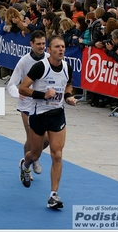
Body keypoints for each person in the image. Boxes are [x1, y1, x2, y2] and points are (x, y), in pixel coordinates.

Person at [18, 35, 77, 209]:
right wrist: (42, 95)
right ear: (49, 50)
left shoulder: (67, 67)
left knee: (57, 154)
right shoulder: (40, 67)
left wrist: (68, 97)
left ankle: (53, 195)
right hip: (38, 115)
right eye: (57, 47)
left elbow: (68, 85)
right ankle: (25, 165)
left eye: (63, 47)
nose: (61, 49)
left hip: (57, 115)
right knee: (34, 155)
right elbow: (23, 88)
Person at [6, 30, 50, 180]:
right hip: (27, 105)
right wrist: (17, 94)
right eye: (38, 44)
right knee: (32, 138)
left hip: (45, 105)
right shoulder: (24, 61)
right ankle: (29, 165)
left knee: (47, 140)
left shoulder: (50, 59)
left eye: (43, 43)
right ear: (31, 44)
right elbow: (11, 84)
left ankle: (31, 157)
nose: (41, 47)